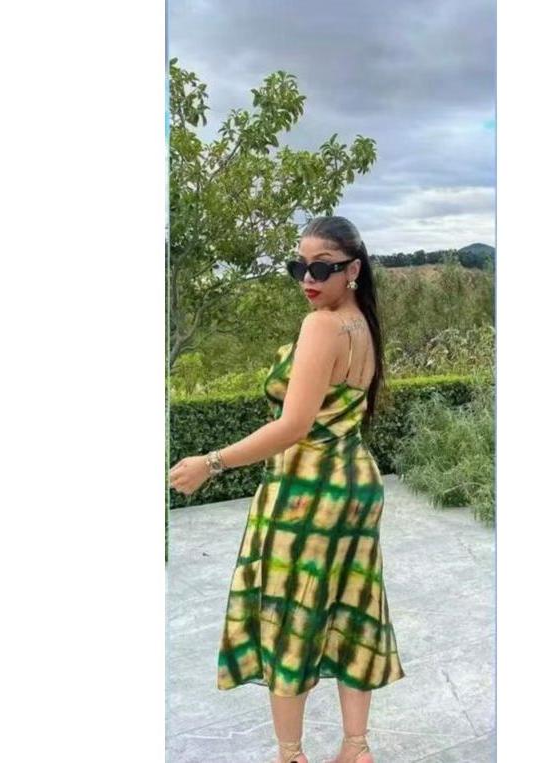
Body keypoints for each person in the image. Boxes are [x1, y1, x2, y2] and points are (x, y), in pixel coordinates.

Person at [169, 216, 405, 763]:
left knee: (289, 615)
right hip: (355, 483)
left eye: (321, 267)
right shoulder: (362, 323)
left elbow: (294, 426)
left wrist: (211, 462)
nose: (307, 278)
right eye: (299, 267)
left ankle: (291, 755)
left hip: (308, 491)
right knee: (352, 607)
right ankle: (355, 748)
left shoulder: (322, 326)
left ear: (352, 268)